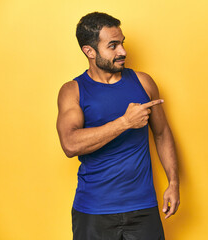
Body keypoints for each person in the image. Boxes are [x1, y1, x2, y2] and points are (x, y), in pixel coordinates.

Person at [56, 12, 180, 240]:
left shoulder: (143, 82)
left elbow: (162, 134)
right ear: (89, 51)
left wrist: (173, 182)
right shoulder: (72, 91)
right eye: (112, 46)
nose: (123, 52)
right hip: (93, 211)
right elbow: (70, 145)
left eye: (122, 43)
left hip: (143, 208)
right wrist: (125, 122)